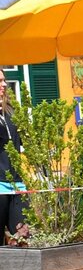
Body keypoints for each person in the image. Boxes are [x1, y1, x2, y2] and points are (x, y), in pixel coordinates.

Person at [0, 70, 25, 245]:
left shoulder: (11, 112)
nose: (4, 84)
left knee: (22, 233)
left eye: (4, 80)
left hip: (17, 183)